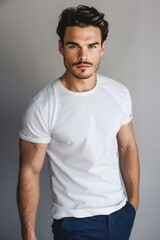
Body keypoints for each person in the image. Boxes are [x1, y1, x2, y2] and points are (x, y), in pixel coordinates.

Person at [17, 5, 140, 240]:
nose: (83, 56)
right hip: (75, 223)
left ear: (102, 48)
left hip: (119, 215)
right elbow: (30, 171)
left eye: (92, 46)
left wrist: (133, 203)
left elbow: (127, 147)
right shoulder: (43, 106)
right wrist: (29, 233)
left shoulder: (119, 93)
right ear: (61, 47)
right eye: (74, 46)